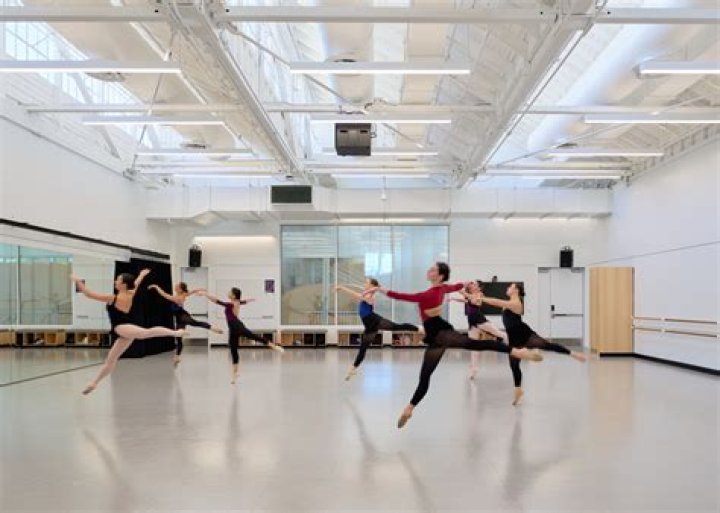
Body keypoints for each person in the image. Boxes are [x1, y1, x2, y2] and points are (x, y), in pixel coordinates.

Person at [377, 262, 543, 428]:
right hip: (436, 337)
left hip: (441, 333)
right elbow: (455, 287)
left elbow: (400, 296)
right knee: (429, 373)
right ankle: (409, 409)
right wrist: (464, 284)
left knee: (474, 346)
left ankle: (517, 352)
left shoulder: (428, 294)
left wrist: (379, 289)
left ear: (440, 276)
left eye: (433, 270)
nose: (429, 270)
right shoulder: (442, 289)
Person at [71, 269, 186, 395]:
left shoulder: (113, 298)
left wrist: (78, 281)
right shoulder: (130, 293)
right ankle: (94, 383)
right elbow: (136, 283)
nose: (115, 282)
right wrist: (141, 274)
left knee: (145, 333)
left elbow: (89, 294)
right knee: (111, 360)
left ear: (124, 285)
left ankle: (175, 333)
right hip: (126, 330)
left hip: (122, 327)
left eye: (118, 280)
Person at [479, 283, 587, 405]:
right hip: (513, 338)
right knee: (514, 365)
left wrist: (482, 298)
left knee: (547, 345)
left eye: (510, 287)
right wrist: (477, 297)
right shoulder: (509, 302)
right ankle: (518, 390)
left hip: (524, 334)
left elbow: (496, 302)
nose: (507, 288)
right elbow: (497, 302)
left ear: (516, 290)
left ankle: (573, 354)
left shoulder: (516, 303)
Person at [336, 278, 419, 381]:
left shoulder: (370, 296)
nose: (365, 284)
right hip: (369, 327)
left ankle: (417, 329)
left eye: (367, 282)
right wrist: (343, 288)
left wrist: (342, 288)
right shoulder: (367, 293)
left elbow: (356, 295)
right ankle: (353, 369)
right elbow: (358, 294)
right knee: (363, 348)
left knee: (397, 327)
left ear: (371, 285)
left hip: (375, 321)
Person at [200, 287, 284, 384]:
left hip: (237, 326)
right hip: (233, 329)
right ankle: (234, 375)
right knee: (233, 350)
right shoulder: (236, 302)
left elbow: (217, 301)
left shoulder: (232, 304)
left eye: (230, 292)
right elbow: (242, 302)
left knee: (253, 337)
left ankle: (274, 346)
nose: (228, 293)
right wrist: (248, 300)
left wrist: (205, 294)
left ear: (234, 295)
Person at [148, 282, 223, 367]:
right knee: (179, 338)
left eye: (177, 286)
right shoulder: (184, 294)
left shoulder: (177, 298)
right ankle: (177, 357)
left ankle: (213, 328)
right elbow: (193, 291)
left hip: (183, 316)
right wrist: (201, 289)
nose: (175, 287)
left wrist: (156, 287)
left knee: (194, 323)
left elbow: (164, 294)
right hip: (179, 319)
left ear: (180, 289)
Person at [451, 280, 508, 379]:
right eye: (472, 284)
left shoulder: (479, 295)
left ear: (478, 287)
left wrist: (462, 291)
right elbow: (466, 300)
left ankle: (513, 342)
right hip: (472, 323)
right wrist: (455, 298)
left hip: (480, 320)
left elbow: (474, 301)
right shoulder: (470, 295)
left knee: (498, 333)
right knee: (474, 346)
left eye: (475, 284)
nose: (473, 285)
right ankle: (474, 370)